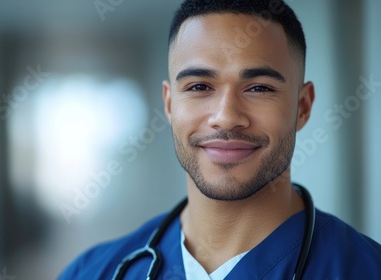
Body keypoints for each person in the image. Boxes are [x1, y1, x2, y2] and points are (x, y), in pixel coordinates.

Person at [59, 0, 381, 279]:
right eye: (199, 87)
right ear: (170, 105)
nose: (226, 117)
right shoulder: (92, 272)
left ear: (302, 107)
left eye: (259, 88)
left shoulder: (368, 269)